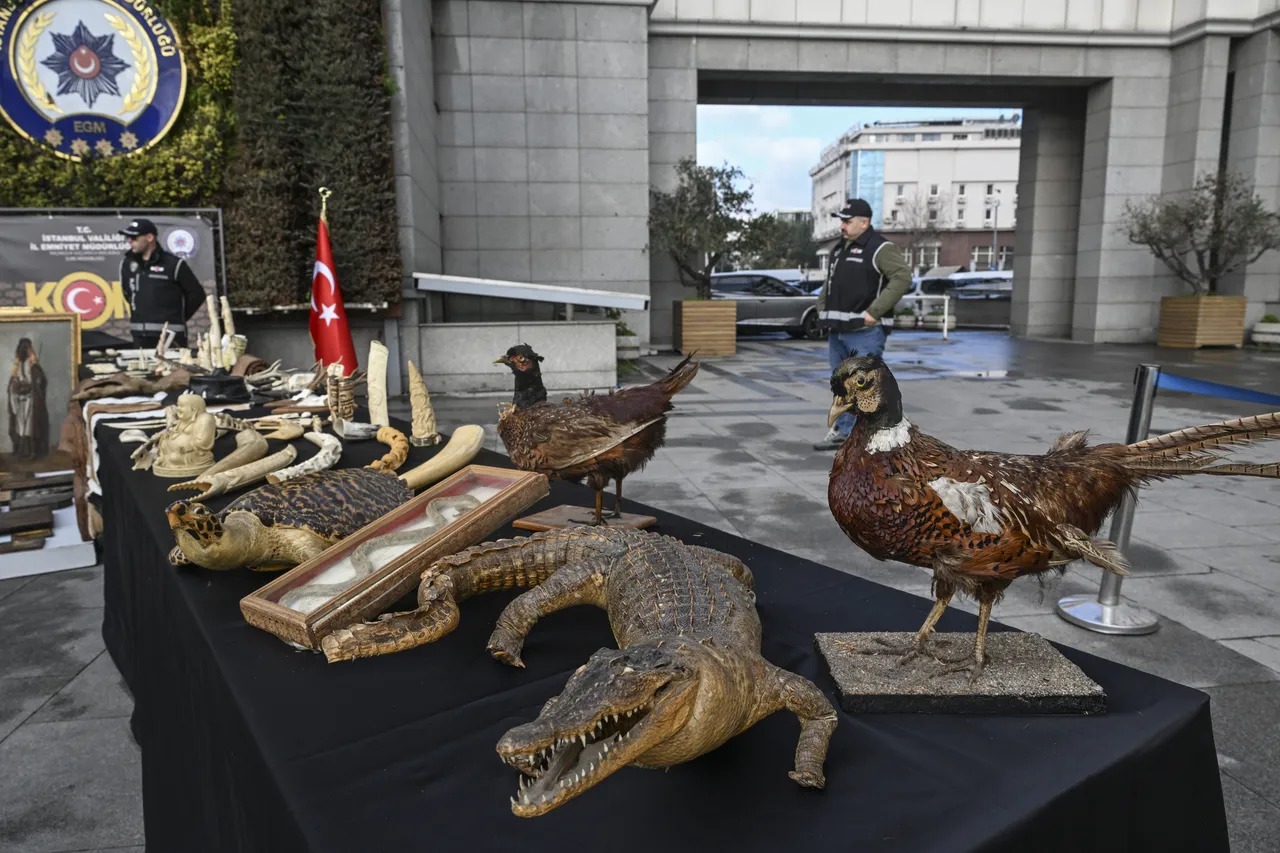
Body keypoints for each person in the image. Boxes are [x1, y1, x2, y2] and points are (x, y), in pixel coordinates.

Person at [812, 198, 912, 451]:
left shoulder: (880, 248)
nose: (842, 226)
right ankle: (845, 434)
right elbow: (830, 281)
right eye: (842, 221)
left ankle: (872, 440)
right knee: (842, 388)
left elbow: (902, 278)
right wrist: (821, 306)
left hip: (865, 332)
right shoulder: (840, 248)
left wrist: (874, 312)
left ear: (864, 222)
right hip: (838, 330)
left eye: (847, 221)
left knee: (866, 389)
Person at [118, 218, 207, 350]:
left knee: (173, 371)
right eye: (128, 237)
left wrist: (177, 317)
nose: (130, 240)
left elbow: (197, 294)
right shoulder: (126, 264)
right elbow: (128, 294)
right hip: (140, 336)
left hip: (171, 336)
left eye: (134, 237)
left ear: (149, 237)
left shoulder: (174, 264)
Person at [7, 337, 49, 460]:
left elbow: (40, 382)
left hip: (31, 400)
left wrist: (36, 373)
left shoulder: (33, 365)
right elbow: (14, 380)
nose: (27, 351)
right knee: (20, 426)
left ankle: (32, 452)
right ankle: (21, 451)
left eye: (28, 348)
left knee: (30, 427)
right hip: (20, 399)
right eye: (24, 348)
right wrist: (16, 387)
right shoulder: (18, 364)